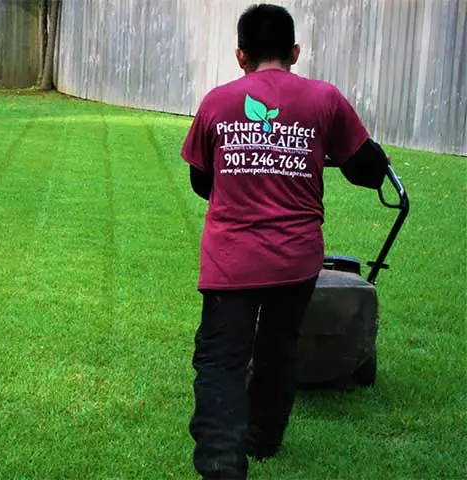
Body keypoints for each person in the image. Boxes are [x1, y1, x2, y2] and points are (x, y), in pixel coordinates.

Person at [180, 4, 390, 479]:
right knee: (278, 346)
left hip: (231, 261)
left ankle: (220, 464)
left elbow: (200, 180)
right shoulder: (324, 99)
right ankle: (263, 439)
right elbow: (366, 168)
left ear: (240, 56)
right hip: (295, 262)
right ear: (294, 51)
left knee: (221, 358)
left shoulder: (217, 102)